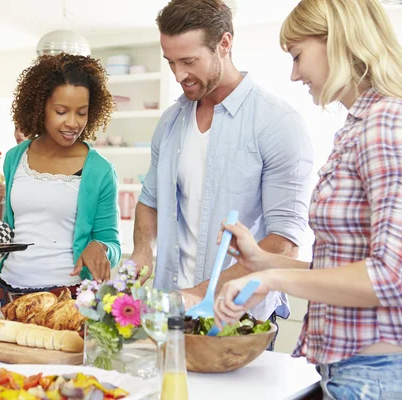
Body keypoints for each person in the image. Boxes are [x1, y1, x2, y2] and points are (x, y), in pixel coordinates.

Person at [214, 0, 402, 396]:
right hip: (353, 370)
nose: (295, 74)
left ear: (338, 41)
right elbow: (347, 263)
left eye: (298, 56)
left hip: (376, 374)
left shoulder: (385, 124)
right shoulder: (358, 127)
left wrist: (271, 278)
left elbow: (391, 276)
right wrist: (263, 260)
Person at [130, 0, 314, 349]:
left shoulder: (278, 123)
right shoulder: (170, 122)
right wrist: (143, 251)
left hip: (239, 320)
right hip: (171, 312)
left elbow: (284, 242)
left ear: (225, 44)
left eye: (189, 61)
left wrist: (201, 294)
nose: (178, 75)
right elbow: (149, 201)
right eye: (171, 62)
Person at [0, 53, 121, 305]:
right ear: (39, 107)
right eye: (61, 111)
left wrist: (101, 247)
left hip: (65, 299)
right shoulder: (14, 158)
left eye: (82, 113)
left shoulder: (100, 171)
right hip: (7, 293)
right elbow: (13, 227)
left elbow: (112, 244)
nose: (73, 123)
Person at [0, 125, 28, 220]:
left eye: (23, 127)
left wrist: (11, 194)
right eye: (16, 128)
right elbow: (1, 215)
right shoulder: (12, 159)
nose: (18, 133)